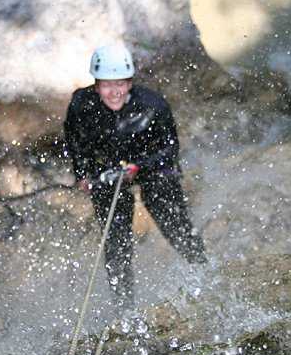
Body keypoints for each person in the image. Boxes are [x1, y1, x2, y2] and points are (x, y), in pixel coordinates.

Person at [63, 45, 207, 307]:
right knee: (115, 236)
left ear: (130, 83)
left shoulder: (153, 106)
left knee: (169, 215)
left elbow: (170, 148)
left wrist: (138, 167)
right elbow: (75, 142)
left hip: (151, 165)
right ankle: (125, 306)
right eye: (107, 85)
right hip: (107, 169)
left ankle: (202, 269)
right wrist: (83, 174)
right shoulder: (81, 105)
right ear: (96, 85)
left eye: (120, 84)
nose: (114, 92)